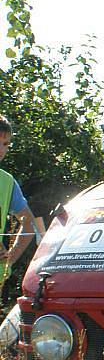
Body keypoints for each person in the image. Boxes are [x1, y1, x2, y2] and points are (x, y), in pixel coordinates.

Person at [0, 115, 35, 287]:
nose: (1, 150)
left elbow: (29, 225)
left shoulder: (7, 182)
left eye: (5, 144)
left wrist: (9, 260)